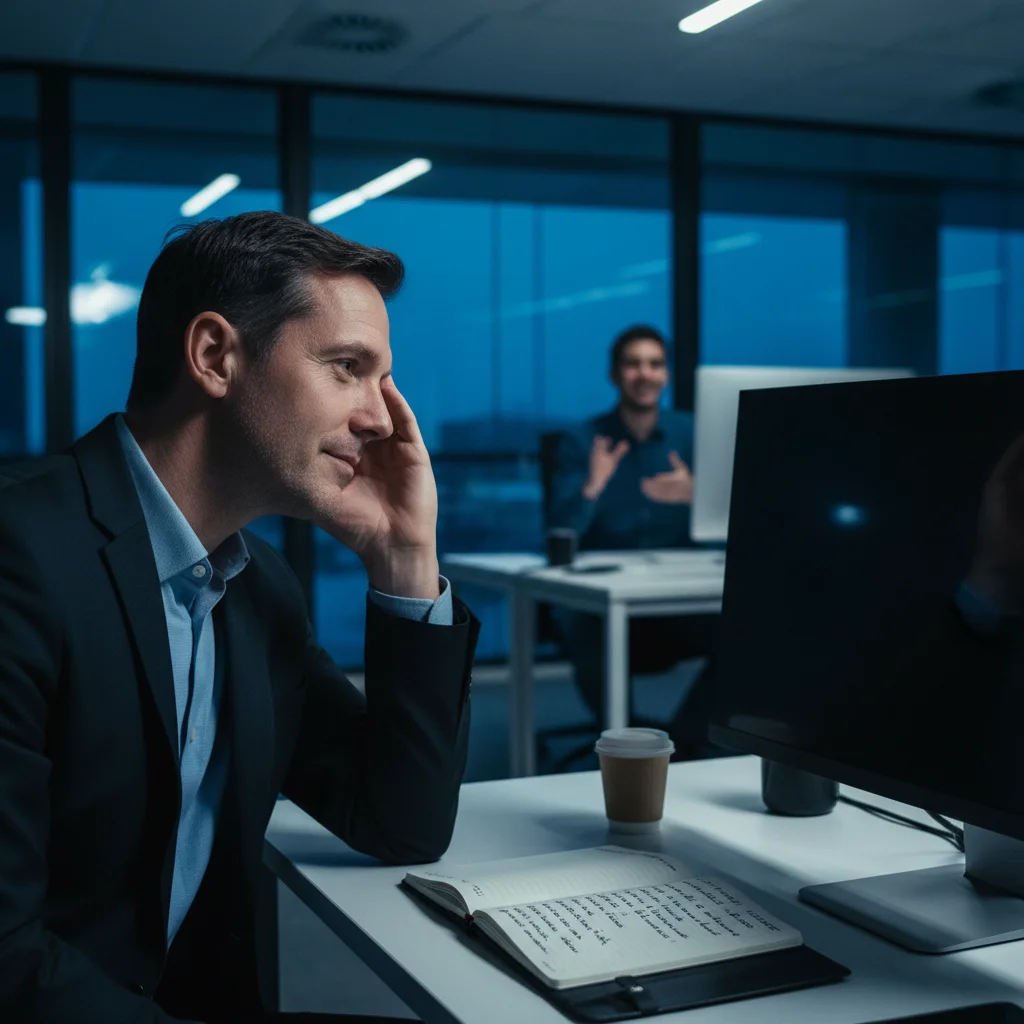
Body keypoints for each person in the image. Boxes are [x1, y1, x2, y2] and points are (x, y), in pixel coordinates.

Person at [0, 212, 480, 1024]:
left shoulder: (258, 592)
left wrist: (403, 560)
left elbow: (402, 823)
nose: (381, 419)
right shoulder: (19, 559)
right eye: (347, 369)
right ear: (216, 356)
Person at [547, 325, 718, 758]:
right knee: (581, 624)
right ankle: (624, 750)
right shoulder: (583, 441)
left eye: (655, 364)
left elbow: (736, 515)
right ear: (615, 374)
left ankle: (684, 743)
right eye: (633, 363)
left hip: (672, 603)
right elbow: (558, 531)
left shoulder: (693, 435)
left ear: (666, 374)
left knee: (746, 629)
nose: (645, 373)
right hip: (605, 607)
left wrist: (700, 495)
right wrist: (592, 485)